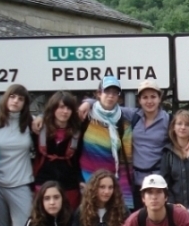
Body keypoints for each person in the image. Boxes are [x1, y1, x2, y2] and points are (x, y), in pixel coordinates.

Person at [80, 79, 170, 208]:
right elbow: (107, 105)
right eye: (145, 97)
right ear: (139, 100)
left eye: (153, 97)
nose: (149, 101)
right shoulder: (133, 115)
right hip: (136, 181)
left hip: (159, 179)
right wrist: (88, 103)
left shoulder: (169, 120)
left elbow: (185, 127)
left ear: (159, 98)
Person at [0, 84, 35, 226]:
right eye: (12, 96)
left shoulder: (31, 123)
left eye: (20, 99)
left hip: (21, 185)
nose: (15, 101)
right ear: (5, 98)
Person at [78, 76, 134, 210]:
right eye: (107, 92)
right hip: (87, 182)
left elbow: (126, 161)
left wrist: (124, 194)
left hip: (112, 185)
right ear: (98, 94)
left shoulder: (123, 123)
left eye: (115, 93)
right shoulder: (85, 116)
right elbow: (59, 117)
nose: (111, 96)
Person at [34, 91, 82, 210]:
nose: (65, 112)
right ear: (53, 108)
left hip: (69, 185)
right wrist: (40, 116)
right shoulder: (39, 129)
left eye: (68, 108)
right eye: (61, 107)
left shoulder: (78, 132)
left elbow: (80, 159)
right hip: (43, 182)